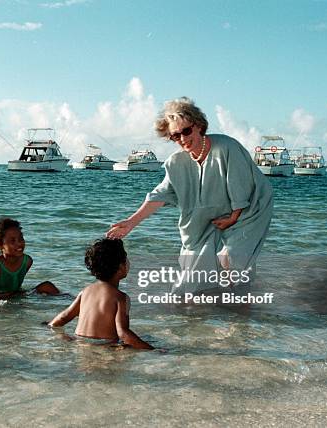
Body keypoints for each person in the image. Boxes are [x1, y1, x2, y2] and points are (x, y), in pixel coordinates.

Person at [107, 97, 273, 294]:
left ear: (199, 125)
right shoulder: (175, 163)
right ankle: (202, 316)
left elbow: (243, 187)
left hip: (249, 209)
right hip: (206, 218)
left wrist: (233, 218)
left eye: (186, 131)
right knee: (192, 281)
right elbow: (161, 194)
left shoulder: (227, 148)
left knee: (230, 260)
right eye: (175, 136)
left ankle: (239, 315)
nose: (182, 139)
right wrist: (132, 222)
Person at [48, 238, 153, 350]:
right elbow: (123, 333)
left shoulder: (85, 291)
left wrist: (64, 337)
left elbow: (62, 319)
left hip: (80, 346)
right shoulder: (120, 298)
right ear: (121, 267)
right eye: (126, 257)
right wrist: (152, 350)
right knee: (142, 343)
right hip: (103, 348)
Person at [0, 217, 60, 299]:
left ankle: (68, 303)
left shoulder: (27, 261)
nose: (19, 243)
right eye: (12, 241)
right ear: (0, 245)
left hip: (13, 296)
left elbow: (15, 286)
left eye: (21, 238)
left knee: (48, 286)